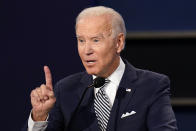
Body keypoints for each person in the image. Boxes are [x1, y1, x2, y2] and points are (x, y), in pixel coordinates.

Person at [22, 6, 178, 131]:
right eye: (81, 40)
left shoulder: (152, 86)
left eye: (95, 40)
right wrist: (40, 117)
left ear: (119, 42)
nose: (86, 50)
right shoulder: (66, 90)